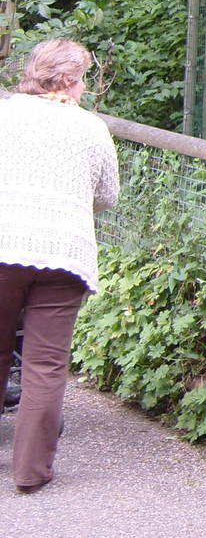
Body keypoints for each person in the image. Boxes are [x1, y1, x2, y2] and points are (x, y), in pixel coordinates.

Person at [0, 38, 119, 494]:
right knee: (46, 364)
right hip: (63, 254)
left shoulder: (5, 113)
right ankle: (31, 473)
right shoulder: (91, 128)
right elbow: (107, 196)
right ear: (70, 80)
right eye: (84, 77)